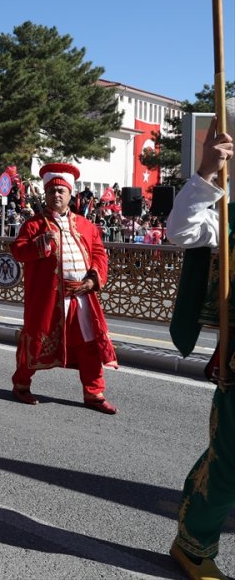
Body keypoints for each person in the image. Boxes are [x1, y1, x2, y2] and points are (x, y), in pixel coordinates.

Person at [165, 111, 234, 580]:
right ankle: (192, 545)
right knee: (230, 463)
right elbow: (182, 231)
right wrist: (208, 171)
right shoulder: (227, 217)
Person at [10, 163, 119, 413]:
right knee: (37, 341)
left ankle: (94, 392)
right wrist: (40, 244)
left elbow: (100, 254)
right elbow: (18, 251)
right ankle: (21, 384)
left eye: (61, 191)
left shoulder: (86, 225)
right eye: (51, 192)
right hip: (48, 298)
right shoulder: (34, 225)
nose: (56, 195)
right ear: (46, 195)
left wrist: (93, 279)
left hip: (81, 296)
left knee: (89, 343)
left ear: (70, 194)